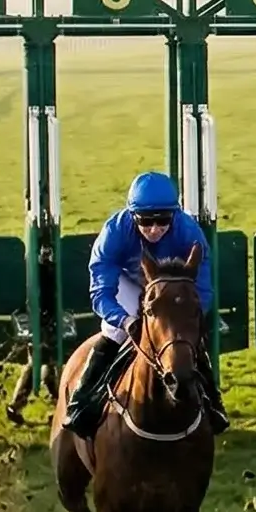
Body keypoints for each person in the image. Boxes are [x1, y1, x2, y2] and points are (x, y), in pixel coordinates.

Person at [63, 171, 225, 436]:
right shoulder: (114, 232)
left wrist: (188, 319)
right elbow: (101, 292)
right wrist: (125, 320)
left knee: (188, 337)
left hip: (170, 289)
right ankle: (81, 401)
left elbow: (203, 290)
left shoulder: (189, 232)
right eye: (146, 221)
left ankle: (214, 402)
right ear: (132, 216)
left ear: (175, 215)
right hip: (128, 282)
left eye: (163, 221)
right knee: (114, 333)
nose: (154, 229)